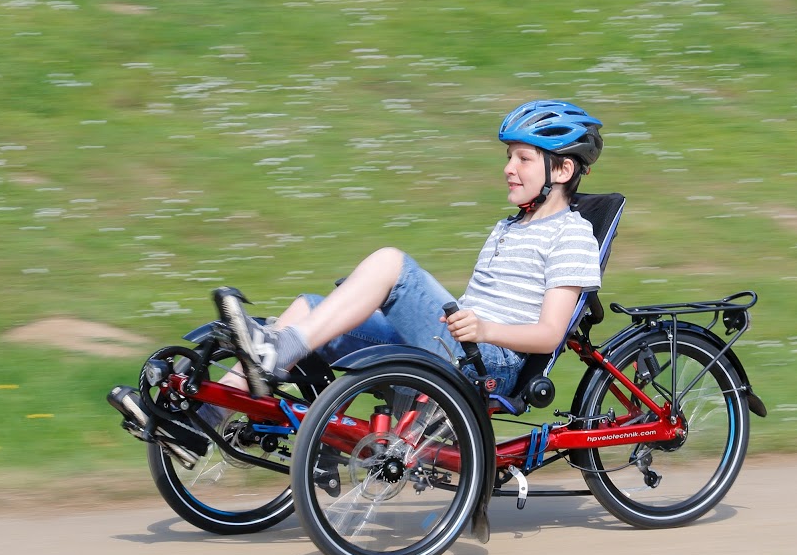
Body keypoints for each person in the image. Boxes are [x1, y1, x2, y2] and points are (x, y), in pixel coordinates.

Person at [220, 99, 605, 400]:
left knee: (391, 263)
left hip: (489, 361)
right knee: (310, 307)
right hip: (457, 342)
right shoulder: (510, 226)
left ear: (562, 171)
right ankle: (207, 415)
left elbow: (550, 334)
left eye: (523, 158)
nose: (508, 168)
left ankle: (279, 352)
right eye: (508, 157)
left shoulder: (571, 236)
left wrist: (485, 328)